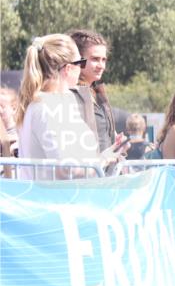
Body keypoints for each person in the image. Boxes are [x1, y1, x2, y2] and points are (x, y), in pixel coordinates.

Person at [15, 35, 123, 179]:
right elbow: (68, 169)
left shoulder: (38, 103)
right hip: (60, 198)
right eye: (81, 62)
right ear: (68, 68)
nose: (81, 69)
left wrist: (106, 156)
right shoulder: (51, 105)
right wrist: (102, 161)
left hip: (47, 197)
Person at [68, 29, 118, 152]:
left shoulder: (98, 92)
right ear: (79, 59)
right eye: (95, 59)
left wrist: (117, 143)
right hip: (87, 169)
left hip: (106, 169)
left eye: (103, 60)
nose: (101, 66)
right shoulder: (70, 95)